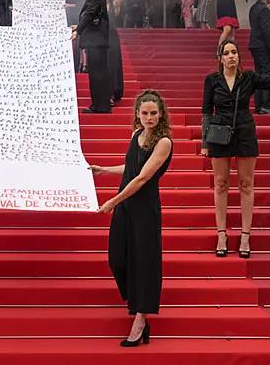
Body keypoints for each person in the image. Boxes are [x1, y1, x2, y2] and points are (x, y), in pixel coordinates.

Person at [91, 90, 173, 347]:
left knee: (144, 263)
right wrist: (103, 169)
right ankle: (136, 301)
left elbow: (143, 178)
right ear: (137, 113)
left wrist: (113, 201)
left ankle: (140, 318)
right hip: (126, 204)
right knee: (116, 258)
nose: (149, 117)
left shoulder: (164, 142)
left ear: (161, 115)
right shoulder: (137, 135)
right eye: (145, 113)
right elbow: (130, 169)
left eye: (153, 113)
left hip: (144, 208)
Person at [203, 39, 270, 258]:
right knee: (220, 184)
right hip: (219, 133)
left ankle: (245, 235)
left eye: (234, 52)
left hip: (245, 131)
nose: (231, 56)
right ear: (220, 58)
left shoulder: (249, 77)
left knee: (246, 184)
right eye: (226, 53)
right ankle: (221, 234)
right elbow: (206, 112)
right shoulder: (211, 80)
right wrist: (205, 144)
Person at [73, 0, 111, 114]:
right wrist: (78, 26)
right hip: (94, 40)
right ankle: (98, 104)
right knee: (96, 74)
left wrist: (78, 30)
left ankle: (100, 105)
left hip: (97, 41)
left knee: (98, 74)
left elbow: (89, 14)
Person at [248, 0, 270, 115]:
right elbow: (267, 30)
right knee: (267, 75)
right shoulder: (264, 10)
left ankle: (259, 105)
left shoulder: (253, 8)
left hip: (255, 44)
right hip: (263, 45)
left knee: (259, 74)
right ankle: (266, 105)